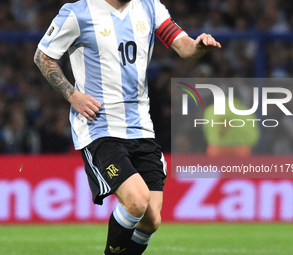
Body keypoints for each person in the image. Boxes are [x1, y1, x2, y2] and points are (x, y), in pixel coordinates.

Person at [34, 0, 221, 254]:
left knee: (152, 219)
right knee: (136, 200)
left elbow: (184, 47)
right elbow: (43, 56)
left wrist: (198, 46)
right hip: (100, 126)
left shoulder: (150, 7)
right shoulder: (78, 12)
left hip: (141, 127)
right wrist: (73, 96)